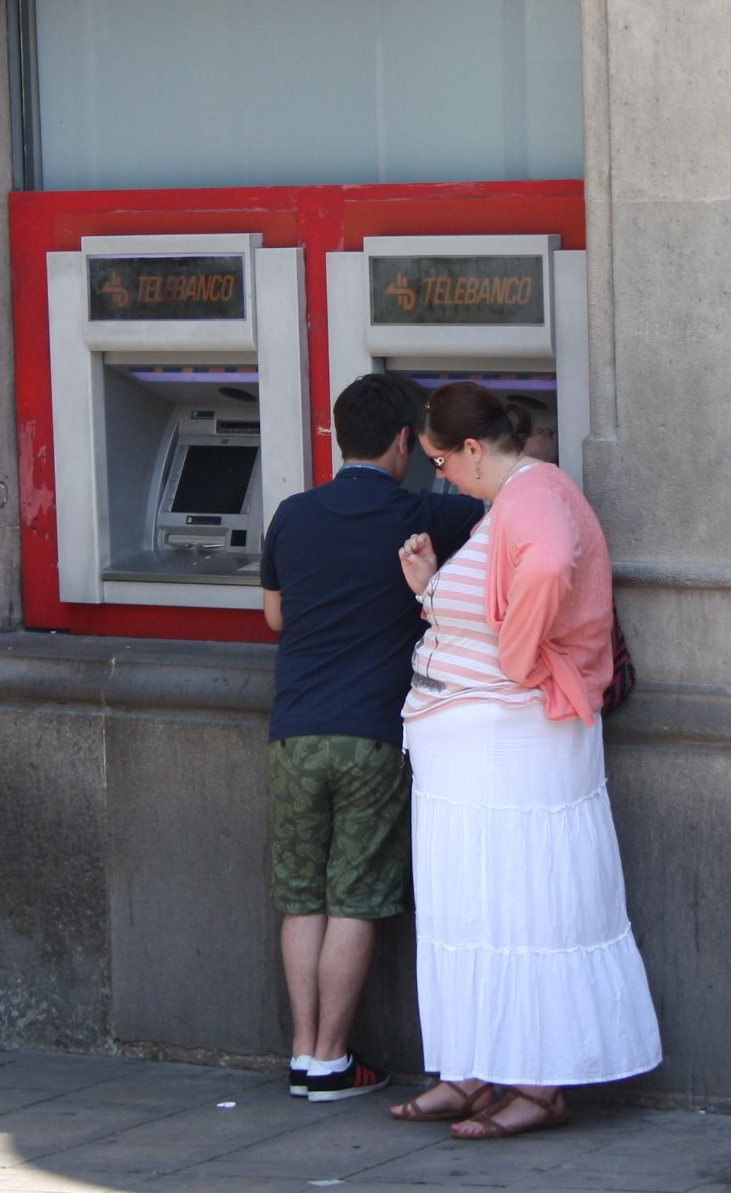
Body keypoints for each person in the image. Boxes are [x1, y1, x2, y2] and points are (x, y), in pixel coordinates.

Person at [387, 382, 661, 1140]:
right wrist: (432, 589)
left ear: (473, 449)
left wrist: (519, 655)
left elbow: (548, 565)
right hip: (476, 755)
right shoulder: (508, 499)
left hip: (512, 754)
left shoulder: (534, 493)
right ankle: (474, 1067)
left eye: (441, 460)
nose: (439, 475)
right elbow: (500, 597)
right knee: (479, 904)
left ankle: (536, 1086)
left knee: (521, 904)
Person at [261, 372, 484, 1101]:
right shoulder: (425, 514)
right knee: (354, 898)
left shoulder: (292, 515)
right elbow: (509, 502)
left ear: (335, 436)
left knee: (303, 896)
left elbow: (275, 617)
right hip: (372, 735)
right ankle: (334, 1057)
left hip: (295, 731)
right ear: (402, 443)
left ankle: (304, 1054)